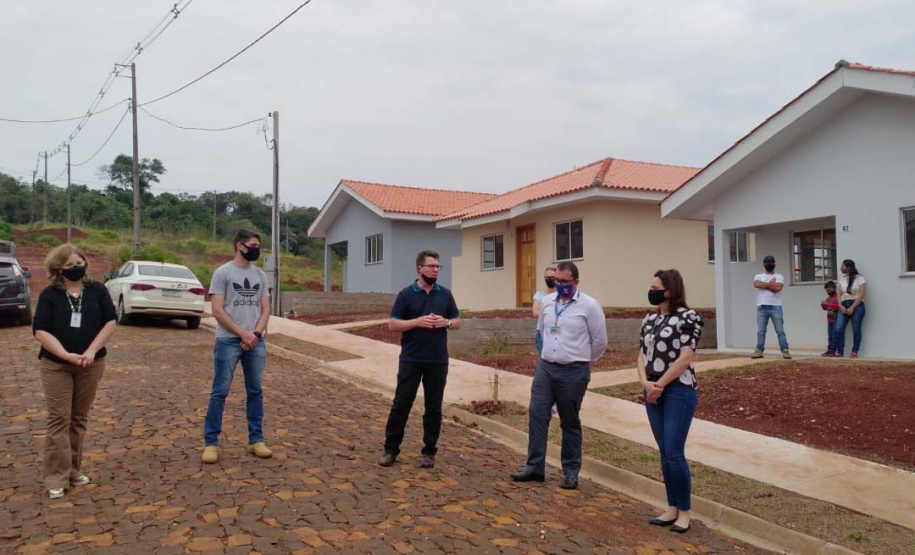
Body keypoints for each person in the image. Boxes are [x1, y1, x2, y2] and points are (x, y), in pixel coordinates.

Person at [511, 261, 607, 490]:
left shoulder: (589, 306)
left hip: (573, 371)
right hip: (546, 369)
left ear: (576, 281)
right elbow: (542, 330)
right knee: (537, 414)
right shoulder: (546, 302)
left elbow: (599, 342)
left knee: (569, 421)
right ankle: (534, 467)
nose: (561, 285)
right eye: (557, 281)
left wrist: (580, 358)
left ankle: (570, 472)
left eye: (565, 282)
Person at [32, 243, 117, 499]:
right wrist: (65, 354)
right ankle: (55, 477)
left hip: (90, 364)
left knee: (78, 419)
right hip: (56, 365)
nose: (75, 268)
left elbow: (110, 321)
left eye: (79, 264)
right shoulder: (50, 295)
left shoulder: (97, 290)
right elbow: (40, 330)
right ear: (58, 267)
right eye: (69, 265)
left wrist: (91, 351)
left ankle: (72, 470)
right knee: (59, 418)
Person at [379, 250, 461, 469]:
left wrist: (446, 323)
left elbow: (457, 321)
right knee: (401, 403)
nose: (435, 270)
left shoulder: (445, 294)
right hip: (411, 359)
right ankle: (391, 449)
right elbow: (392, 324)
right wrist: (417, 321)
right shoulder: (406, 294)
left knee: (433, 407)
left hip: (437, 360)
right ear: (419, 269)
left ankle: (429, 451)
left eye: (438, 267)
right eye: (431, 266)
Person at [638, 269, 703, 533]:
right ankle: (672, 507)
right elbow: (641, 354)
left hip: (678, 390)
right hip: (652, 390)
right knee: (664, 452)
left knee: (675, 453)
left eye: (656, 288)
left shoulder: (688, 317)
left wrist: (661, 384)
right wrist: (646, 383)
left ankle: (685, 512)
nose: (651, 291)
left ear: (670, 290)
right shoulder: (649, 320)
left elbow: (686, 357)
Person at [203, 230, 272, 463]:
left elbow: (266, 308)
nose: (256, 249)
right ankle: (211, 443)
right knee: (220, 391)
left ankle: (256, 440)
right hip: (228, 340)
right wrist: (242, 333)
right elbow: (217, 310)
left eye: (258, 245)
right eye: (253, 245)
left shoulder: (260, 275)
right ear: (239, 246)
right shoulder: (222, 273)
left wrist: (256, 333)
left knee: (255, 391)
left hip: (256, 341)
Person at [751, 255, 790, 359]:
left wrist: (765, 285)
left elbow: (779, 287)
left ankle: (785, 350)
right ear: (764, 264)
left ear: (774, 264)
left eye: (771, 262)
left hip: (775, 306)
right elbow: (756, 284)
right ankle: (759, 350)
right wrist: (771, 286)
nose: (770, 264)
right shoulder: (758, 276)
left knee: (780, 330)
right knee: (761, 331)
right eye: (768, 262)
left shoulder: (779, 276)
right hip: (762, 306)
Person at [833, 259, 866, 358]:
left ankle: (855, 351)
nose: (841, 268)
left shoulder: (860, 279)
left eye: (842, 266)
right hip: (844, 304)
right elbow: (839, 294)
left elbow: (862, 294)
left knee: (856, 328)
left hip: (857, 305)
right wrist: (840, 305)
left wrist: (852, 307)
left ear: (848, 267)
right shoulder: (842, 280)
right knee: (839, 328)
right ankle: (840, 350)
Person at [532, 266, 557, 355]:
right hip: (541, 330)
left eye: (552, 277)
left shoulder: (561, 295)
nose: (550, 279)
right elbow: (535, 312)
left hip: (556, 329)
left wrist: (544, 313)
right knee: (544, 357)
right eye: (547, 277)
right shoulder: (539, 295)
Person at [820, 280, 840, 357]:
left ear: (834, 288)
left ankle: (833, 351)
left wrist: (828, 304)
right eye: (827, 291)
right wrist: (823, 304)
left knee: (835, 336)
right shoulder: (828, 298)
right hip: (829, 320)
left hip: (836, 319)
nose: (828, 292)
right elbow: (825, 308)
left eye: (829, 290)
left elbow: (838, 306)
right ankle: (829, 350)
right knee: (830, 336)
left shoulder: (837, 297)